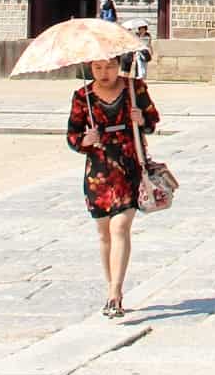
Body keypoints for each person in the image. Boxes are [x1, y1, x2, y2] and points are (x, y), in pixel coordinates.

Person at [66, 54, 159, 319]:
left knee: (120, 226)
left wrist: (141, 119)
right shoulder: (82, 96)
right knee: (104, 232)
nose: (104, 72)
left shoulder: (134, 87)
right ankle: (110, 285)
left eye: (109, 66)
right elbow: (72, 136)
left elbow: (153, 120)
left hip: (128, 163)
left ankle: (115, 293)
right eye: (97, 67)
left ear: (119, 65)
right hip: (99, 169)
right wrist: (85, 139)